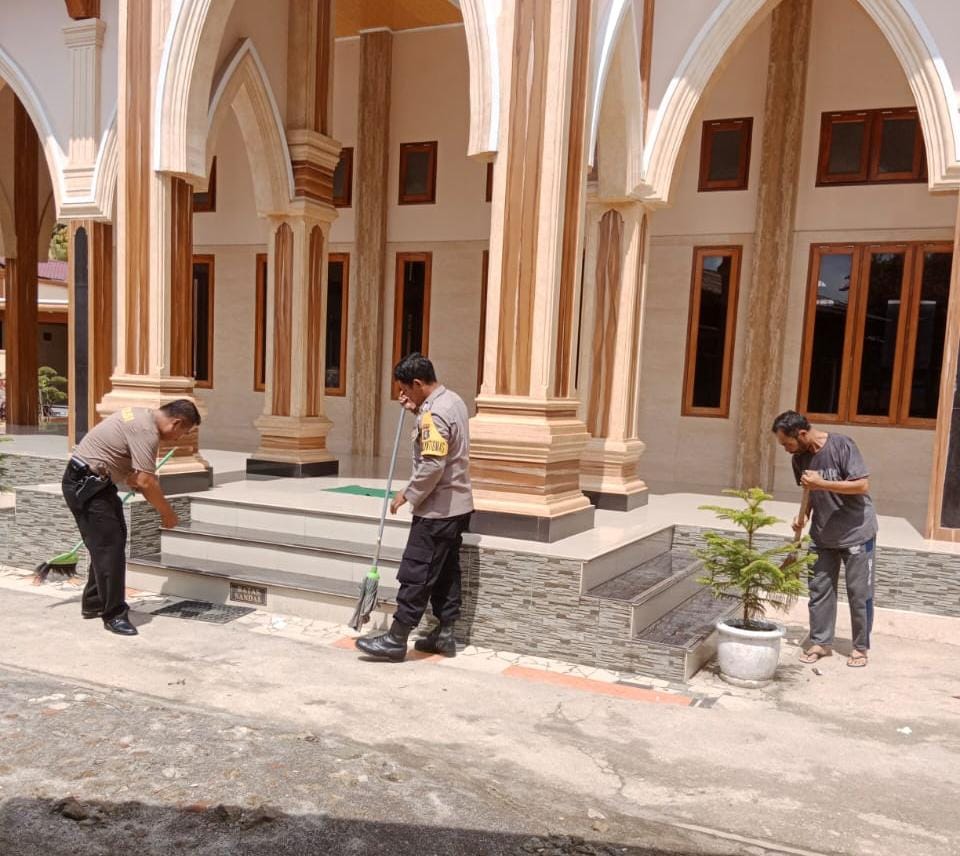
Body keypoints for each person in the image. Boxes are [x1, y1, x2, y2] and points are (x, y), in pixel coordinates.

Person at [356, 354, 473, 662]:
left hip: (437, 509)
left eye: (406, 389)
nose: (403, 396)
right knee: (446, 572)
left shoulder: (433, 415)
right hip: (458, 506)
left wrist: (406, 493)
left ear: (419, 383)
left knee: (417, 572)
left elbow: (433, 464)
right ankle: (444, 634)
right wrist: (417, 411)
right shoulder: (454, 401)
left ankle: (396, 639)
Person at [62, 399, 201, 636]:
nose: (178, 438)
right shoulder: (146, 431)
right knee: (109, 548)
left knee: (108, 545)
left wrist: (134, 478)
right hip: (87, 487)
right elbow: (147, 482)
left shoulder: (139, 415)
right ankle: (114, 615)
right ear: (176, 422)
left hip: (95, 485)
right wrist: (167, 513)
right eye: (183, 432)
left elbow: (137, 476)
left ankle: (94, 603)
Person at [771, 410, 877, 668]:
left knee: (859, 593)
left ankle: (860, 647)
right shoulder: (799, 457)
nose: (786, 449)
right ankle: (820, 642)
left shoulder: (842, 445)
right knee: (819, 591)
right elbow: (809, 492)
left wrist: (822, 483)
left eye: (788, 443)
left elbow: (862, 485)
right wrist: (803, 516)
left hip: (856, 532)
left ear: (803, 433)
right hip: (821, 534)